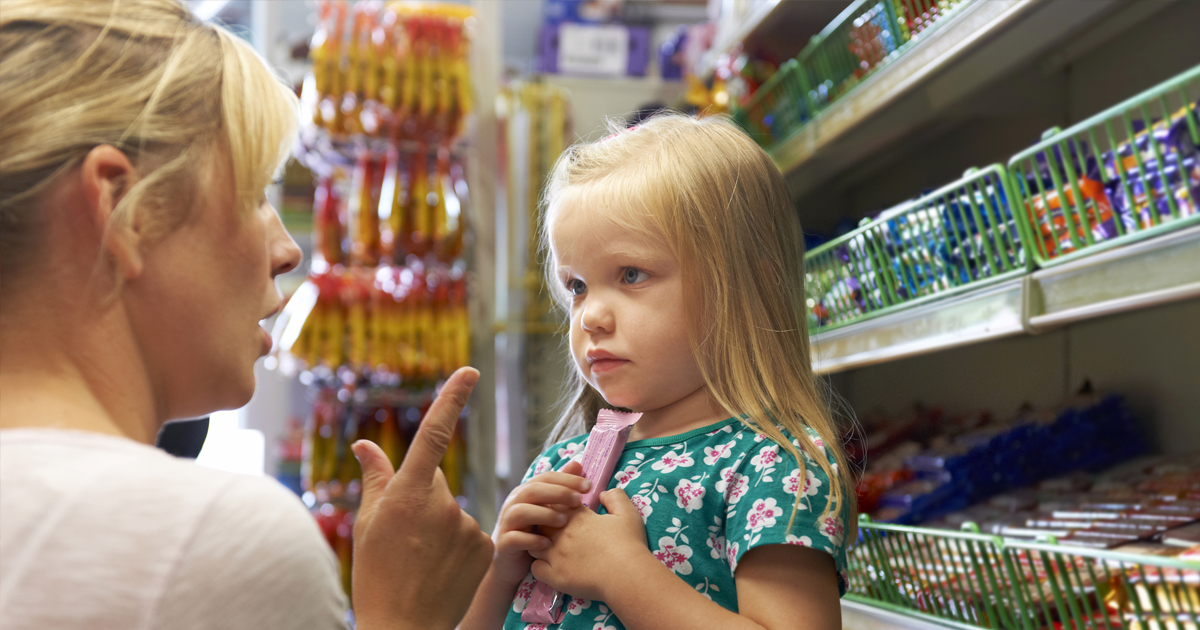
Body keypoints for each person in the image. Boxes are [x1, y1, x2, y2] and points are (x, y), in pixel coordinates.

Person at [0, 1, 491, 629]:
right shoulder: (208, 544)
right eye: (255, 194)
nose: (287, 250)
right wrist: (402, 617)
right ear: (126, 210)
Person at [459, 114, 856, 630]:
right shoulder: (560, 467)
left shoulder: (774, 467)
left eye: (631, 275)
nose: (590, 316)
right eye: (577, 286)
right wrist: (499, 569)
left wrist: (623, 574)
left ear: (740, 287)